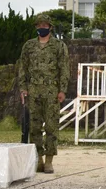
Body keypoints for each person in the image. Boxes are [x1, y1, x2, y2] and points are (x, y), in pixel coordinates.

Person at [18, 14, 70, 173]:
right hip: (33, 90)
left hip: (51, 91)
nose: (42, 28)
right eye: (39, 25)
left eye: (45, 25)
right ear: (36, 27)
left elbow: (64, 69)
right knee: (34, 127)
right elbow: (23, 68)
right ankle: (38, 159)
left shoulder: (59, 46)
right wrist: (23, 88)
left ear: (50, 27)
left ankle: (49, 160)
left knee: (51, 126)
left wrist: (62, 89)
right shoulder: (29, 46)